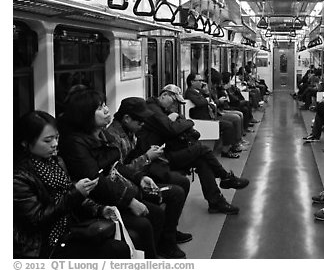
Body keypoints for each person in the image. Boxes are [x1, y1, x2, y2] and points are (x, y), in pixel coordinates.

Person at [58, 88, 181, 258]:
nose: (107, 110)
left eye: (104, 105)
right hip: (95, 202)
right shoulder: (75, 144)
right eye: (100, 108)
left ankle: (160, 248)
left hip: (117, 190)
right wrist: (129, 201)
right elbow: (96, 179)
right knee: (144, 224)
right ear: (85, 114)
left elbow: (115, 165)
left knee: (158, 211)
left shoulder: (100, 135)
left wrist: (140, 177)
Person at [13, 111, 130, 259]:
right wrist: (76, 193)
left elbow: (70, 195)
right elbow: (38, 219)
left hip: (68, 229)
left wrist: (99, 209)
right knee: (116, 250)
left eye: (56, 138)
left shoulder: (55, 162)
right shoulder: (18, 177)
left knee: (121, 244)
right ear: (26, 143)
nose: (55, 144)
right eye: (47, 140)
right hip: (42, 244)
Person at [136, 84, 249, 215]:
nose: (174, 106)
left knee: (202, 161)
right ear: (164, 95)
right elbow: (172, 129)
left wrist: (178, 121)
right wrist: (189, 122)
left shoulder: (163, 110)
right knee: (202, 149)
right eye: (173, 101)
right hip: (160, 157)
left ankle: (216, 201)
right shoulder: (153, 109)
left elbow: (178, 124)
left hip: (166, 152)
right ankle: (225, 178)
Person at [105, 97, 193, 249]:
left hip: (142, 173)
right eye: (140, 121)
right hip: (128, 183)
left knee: (182, 181)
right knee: (176, 192)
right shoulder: (114, 138)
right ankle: (167, 242)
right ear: (127, 118)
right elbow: (119, 171)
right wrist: (147, 157)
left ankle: (170, 230)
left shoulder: (132, 131)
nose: (143, 124)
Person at [184, 73, 243, 158]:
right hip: (203, 119)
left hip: (210, 115)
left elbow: (210, 101)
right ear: (192, 82)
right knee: (228, 125)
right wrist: (207, 100)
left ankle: (231, 146)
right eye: (199, 81)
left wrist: (207, 93)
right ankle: (225, 151)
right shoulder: (190, 92)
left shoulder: (199, 92)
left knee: (231, 121)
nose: (202, 83)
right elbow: (200, 103)